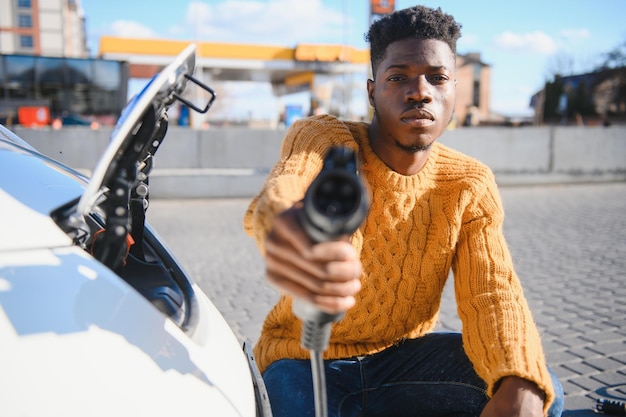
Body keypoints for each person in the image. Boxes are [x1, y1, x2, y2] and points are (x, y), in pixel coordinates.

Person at [243, 5, 564, 417]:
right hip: (303, 360)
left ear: (453, 91)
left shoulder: (469, 183)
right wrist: (286, 228)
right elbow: (284, 188)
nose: (420, 91)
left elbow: (492, 293)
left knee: (536, 390)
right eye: (399, 77)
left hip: (403, 360)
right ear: (373, 91)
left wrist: (516, 379)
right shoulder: (326, 137)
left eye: (437, 77)